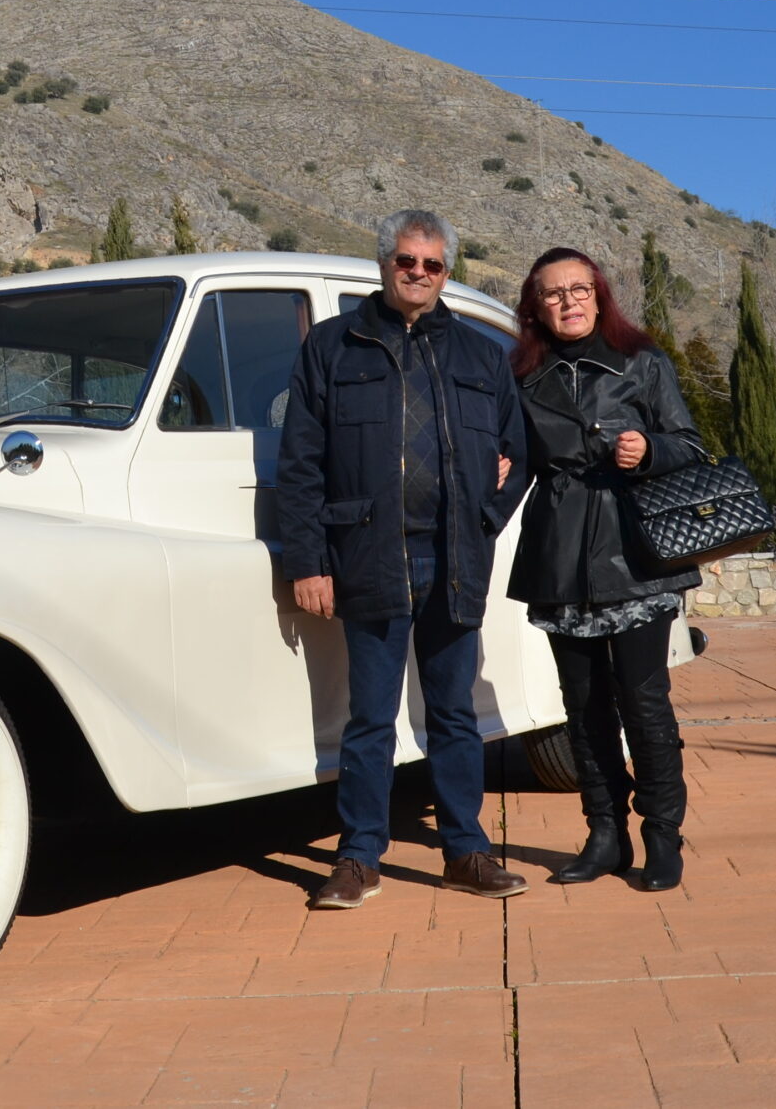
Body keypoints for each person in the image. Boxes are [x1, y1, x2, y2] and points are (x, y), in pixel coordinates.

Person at [277, 209, 533, 909]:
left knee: (454, 713)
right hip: (368, 559)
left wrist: (486, 519)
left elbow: (521, 451)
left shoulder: (481, 357)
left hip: (453, 560)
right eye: (405, 260)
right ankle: (359, 858)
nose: (418, 272)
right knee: (369, 719)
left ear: (447, 272)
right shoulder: (333, 347)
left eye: (432, 264)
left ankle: (466, 850)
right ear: (384, 262)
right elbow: (300, 463)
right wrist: (309, 561)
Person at [505, 246, 706, 892]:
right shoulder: (523, 375)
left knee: (645, 704)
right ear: (536, 306)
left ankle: (662, 836)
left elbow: (692, 447)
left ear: (599, 294)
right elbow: (517, 462)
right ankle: (604, 833)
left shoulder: (642, 362)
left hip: (635, 558)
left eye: (579, 289)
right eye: (554, 293)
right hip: (560, 558)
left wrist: (649, 449)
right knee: (583, 707)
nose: (568, 301)